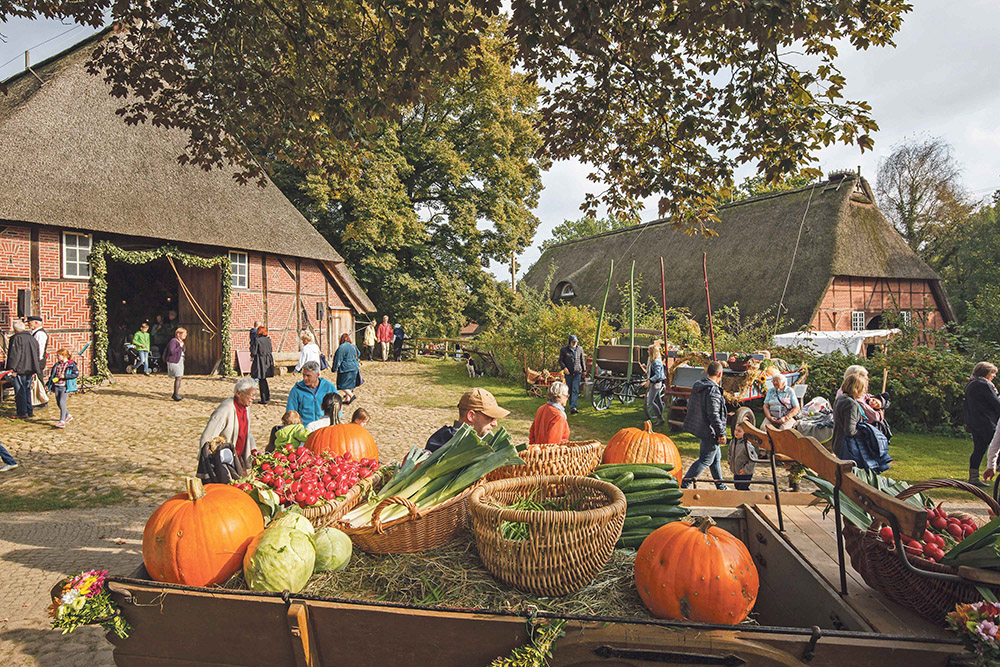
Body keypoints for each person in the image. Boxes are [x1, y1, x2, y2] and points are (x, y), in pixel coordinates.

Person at [680, 361, 729, 489]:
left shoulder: (699, 386)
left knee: (715, 458)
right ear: (720, 374)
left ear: (707, 372)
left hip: (701, 427)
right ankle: (685, 484)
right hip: (710, 430)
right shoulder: (713, 390)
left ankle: (721, 485)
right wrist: (721, 433)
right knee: (705, 460)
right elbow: (713, 414)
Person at [425, 387, 510, 452]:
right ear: (471, 416)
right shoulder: (447, 444)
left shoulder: (469, 442)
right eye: (490, 417)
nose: (495, 424)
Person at [200, 378, 258, 471]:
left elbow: (246, 431)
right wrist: (207, 460)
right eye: (251, 395)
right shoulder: (226, 409)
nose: (254, 398)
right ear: (239, 393)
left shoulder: (245, 408)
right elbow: (209, 435)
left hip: (238, 458)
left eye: (255, 395)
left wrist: (253, 449)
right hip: (225, 460)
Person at [966, 362, 1000, 488]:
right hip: (986, 422)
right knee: (995, 447)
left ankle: (973, 476)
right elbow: (996, 403)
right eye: (993, 373)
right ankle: (989, 472)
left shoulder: (971, 383)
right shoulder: (984, 385)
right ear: (985, 373)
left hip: (976, 422)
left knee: (979, 449)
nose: (994, 376)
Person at [5, 320, 42, 418]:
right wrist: (35, 368)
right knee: (27, 390)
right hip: (30, 368)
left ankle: (22, 412)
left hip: (20, 369)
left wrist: (12, 368)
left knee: (20, 391)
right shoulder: (32, 338)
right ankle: (29, 411)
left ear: (15, 329)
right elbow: (37, 354)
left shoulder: (16, 338)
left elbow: (14, 355)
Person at [286, 361, 338, 425]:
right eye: (303, 375)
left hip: (324, 427)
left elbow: (337, 406)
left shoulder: (329, 387)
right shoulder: (296, 390)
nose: (305, 378)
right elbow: (291, 412)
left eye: (308, 376)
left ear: (317, 375)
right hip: (304, 430)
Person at [831, 372, 866, 459]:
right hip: (847, 447)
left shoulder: (840, 399)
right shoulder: (850, 403)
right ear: (858, 388)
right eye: (864, 387)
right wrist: (866, 433)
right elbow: (850, 430)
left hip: (837, 442)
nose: (865, 390)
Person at [47, 348, 79, 428]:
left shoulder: (71, 365)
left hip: (65, 386)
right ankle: (68, 415)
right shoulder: (57, 365)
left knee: (62, 402)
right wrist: (48, 384)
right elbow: (52, 375)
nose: (57, 357)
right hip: (57, 385)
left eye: (58, 355)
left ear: (64, 355)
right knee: (58, 403)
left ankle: (62, 421)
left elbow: (75, 374)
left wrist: (65, 376)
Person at [559, 334, 586, 415]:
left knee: (575, 389)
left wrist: (584, 370)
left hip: (578, 372)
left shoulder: (580, 349)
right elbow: (560, 361)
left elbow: (582, 360)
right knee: (569, 389)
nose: (574, 343)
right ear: (570, 342)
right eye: (573, 342)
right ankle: (571, 404)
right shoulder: (564, 350)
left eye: (575, 342)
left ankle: (573, 407)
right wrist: (564, 368)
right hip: (568, 372)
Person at [332, 332, 361, 403]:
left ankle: (351, 395)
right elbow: (359, 354)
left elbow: (338, 359)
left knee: (341, 385)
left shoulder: (342, 347)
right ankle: (347, 399)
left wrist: (334, 368)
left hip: (346, 368)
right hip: (355, 367)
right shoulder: (353, 346)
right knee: (350, 385)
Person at [250, 325, 275, 405]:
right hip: (267, 360)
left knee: (261, 379)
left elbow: (254, 352)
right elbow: (270, 349)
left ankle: (263, 398)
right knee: (263, 379)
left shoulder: (257, 340)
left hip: (260, 361)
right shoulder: (268, 340)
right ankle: (267, 396)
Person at [643, 343, 667, 426]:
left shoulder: (657, 362)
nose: (647, 351)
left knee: (650, 401)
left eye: (649, 350)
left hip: (656, 384)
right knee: (658, 401)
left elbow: (658, 375)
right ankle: (661, 417)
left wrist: (649, 380)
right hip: (655, 383)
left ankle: (660, 418)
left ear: (652, 352)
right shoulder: (654, 360)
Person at [164, 327, 187, 401]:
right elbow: (172, 351)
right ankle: (175, 394)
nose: (185, 335)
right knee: (178, 376)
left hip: (180, 360)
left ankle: (176, 393)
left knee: (179, 377)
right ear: (178, 334)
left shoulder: (181, 342)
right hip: (174, 361)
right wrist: (179, 346)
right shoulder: (173, 341)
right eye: (183, 334)